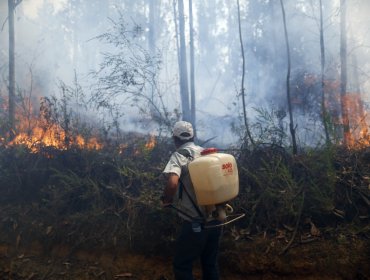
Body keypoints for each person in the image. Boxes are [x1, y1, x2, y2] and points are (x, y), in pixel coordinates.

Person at [162, 121, 222, 280]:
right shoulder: (206, 154)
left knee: (182, 266)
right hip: (216, 221)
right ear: (193, 137)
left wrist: (166, 199)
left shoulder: (178, 156)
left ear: (174, 139)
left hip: (195, 223)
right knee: (210, 265)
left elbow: (173, 182)